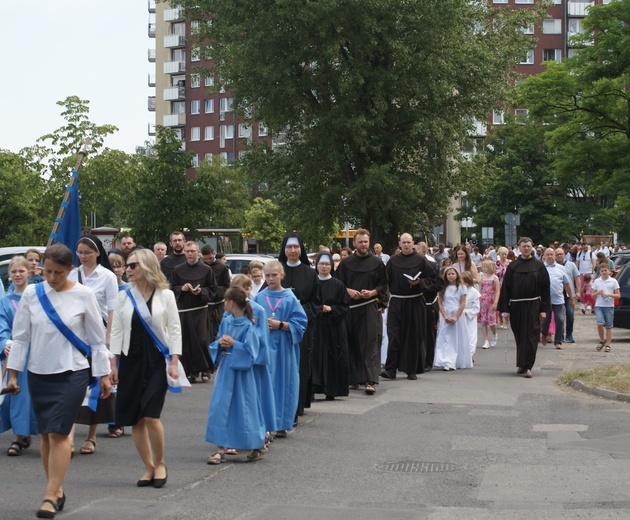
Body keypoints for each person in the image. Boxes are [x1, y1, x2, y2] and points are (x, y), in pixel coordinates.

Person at [5, 243, 111, 518]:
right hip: (38, 373)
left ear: (70, 270)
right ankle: (58, 489)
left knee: (59, 433)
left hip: (72, 372)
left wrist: (103, 376)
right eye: (48, 272)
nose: (52, 278)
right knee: (45, 435)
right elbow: (21, 338)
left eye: (59, 273)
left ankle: (50, 496)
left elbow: (97, 341)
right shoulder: (32, 293)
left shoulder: (84, 294)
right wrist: (13, 374)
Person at [109, 248, 182, 488]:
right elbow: (118, 330)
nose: (127, 270)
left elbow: (174, 329)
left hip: (157, 362)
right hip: (131, 361)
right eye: (127, 266)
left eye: (132, 266)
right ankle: (148, 467)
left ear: (147, 267)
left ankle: (160, 463)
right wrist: (113, 362)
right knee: (136, 419)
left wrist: (174, 361)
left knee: (151, 416)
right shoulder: (123, 296)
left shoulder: (166, 295)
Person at [206, 287, 267, 464]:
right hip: (226, 368)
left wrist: (234, 344)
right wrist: (220, 343)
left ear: (232, 303)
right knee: (220, 406)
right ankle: (219, 448)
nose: (224, 304)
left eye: (225, 301)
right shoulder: (227, 322)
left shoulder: (249, 325)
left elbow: (252, 352)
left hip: (242, 373)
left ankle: (256, 444)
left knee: (245, 408)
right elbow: (217, 341)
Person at [70, 235, 119, 452]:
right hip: (75, 336)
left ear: (97, 252)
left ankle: (91, 436)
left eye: (87, 252)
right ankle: (68, 436)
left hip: (98, 336)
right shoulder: (72, 274)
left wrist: (108, 341)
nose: (83, 256)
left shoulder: (107, 276)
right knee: (72, 384)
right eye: (79, 252)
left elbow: (112, 309)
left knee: (97, 384)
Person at [253, 260, 307, 437]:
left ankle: (283, 422)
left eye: (274, 275)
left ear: (281, 276)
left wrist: (280, 324)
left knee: (284, 383)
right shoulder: (259, 298)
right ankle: (265, 423)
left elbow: (300, 323)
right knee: (265, 383)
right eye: (267, 275)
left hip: (284, 347)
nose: (270, 278)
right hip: (265, 347)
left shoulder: (290, 298)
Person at [381, 233, 442, 380]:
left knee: (413, 335)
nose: (406, 245)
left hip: (415, 302)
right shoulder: (393, 261)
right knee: (394, 335)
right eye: (404, 242)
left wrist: (420, 283)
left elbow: (436, 281)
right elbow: (384, 282)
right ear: (399, 244)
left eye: (409, 242)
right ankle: (390, 369)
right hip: (396, 301)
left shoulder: (421, 260)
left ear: (413, 243)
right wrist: (381, 301)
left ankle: (411, 369)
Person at [335, 229, 388, 395]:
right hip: (350, 309)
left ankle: (370, 380)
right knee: (351, 343)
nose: (363, 244)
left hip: (369, 308)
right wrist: (348, 291)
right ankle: (354, 379)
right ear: (354, 243)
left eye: (365, 241)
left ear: (369, 242)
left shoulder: (377, 263)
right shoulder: (346, 263)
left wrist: (372, 293)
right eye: (360, 242)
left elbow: (384, 284)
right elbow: (337, 284)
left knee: (370, 343)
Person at [277, 233, 319, 418]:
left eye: (296, 247)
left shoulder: (310, 273)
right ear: (284, 250)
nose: (293, 250)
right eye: (289, 247)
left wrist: (299, 313)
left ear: (301, 249)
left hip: (301, 327)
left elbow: (317, 303)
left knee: (300, 366)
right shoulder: (277, 271)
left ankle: (296, 408)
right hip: (278, 328)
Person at [0, 257, 38, 456]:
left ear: (28, 272)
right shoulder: (5, 302)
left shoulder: (37, 295)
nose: (17, 275)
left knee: (37, 394)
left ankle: (35, 432)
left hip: (39, 350)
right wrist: (5, 344)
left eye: (21, 271)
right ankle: (19, 436)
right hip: (17, 353)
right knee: (19, 395)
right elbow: (2, 326)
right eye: (13, 271)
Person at [497, 237, 551, 378]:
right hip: (516, 305)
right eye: (524, 246)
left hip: (533, 305)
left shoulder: (539, 266)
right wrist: (505, 310)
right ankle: (521, 364)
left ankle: (528, 366)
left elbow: (545, 289)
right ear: (519, 248)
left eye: (528, 246)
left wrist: (544, 309)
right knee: (520, 336)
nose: (526, 248)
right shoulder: (513, 266)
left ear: (531, 247)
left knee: (532, 336)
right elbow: (506, 289)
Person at [170, 241, 217, 383]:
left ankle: (205, 369)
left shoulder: (206, 270)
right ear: (184, 252)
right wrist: (181, 289)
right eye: (188, 251)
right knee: (187, 341)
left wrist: (201, 291)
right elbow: (171, 289)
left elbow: (213, 290)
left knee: (202, 339)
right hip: (185, 310)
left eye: (193, 251)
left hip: (200, 310)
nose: (190, 254)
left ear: (198, 253)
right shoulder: (177, 270)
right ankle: (190, 371)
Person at [312, 252, 351, 399]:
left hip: (333, 326)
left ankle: (332, 390)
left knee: (332, 358)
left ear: (332, 266)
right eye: (321, 264)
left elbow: (345, 306)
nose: (324, 267)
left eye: (327, 264)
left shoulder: (338, 284)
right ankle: (313, 389)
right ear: (316, 265)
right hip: (316, 325)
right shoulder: (312, 282)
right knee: (314, 358)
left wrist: (332, 309)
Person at [433, 267, 470, 371]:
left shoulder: (461, 287)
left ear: (457, 275)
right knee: (445, 337)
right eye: (448, 274)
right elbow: (439, 302)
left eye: (453, 274)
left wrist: (456, 316)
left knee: (456, 337)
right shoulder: (443, 288)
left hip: (457, 314)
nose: (450, 276)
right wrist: (444, 315)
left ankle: (456, 360)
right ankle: (445, 360)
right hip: (446, 313)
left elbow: (463, 303)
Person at [540, 248, 574, 350]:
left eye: (552, 254)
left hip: (558, 299)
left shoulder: (560, 268)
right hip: (545, 300)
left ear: (554, 256)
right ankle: (544, 334)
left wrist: (571, 297)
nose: (550, 256)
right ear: (544, 256)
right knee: (545, 321)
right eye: (548, 254)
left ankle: (558, 341)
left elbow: (566, 284)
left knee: (559, 320)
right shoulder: (541, 268)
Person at [201, 244, 231, 349]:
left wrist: (214, 290)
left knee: (219, 329)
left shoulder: (222, 268)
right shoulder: (201, 267)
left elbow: (227, 286)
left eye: (210, 258)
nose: (208, 261)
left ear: (214, 254)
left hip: (218, 304)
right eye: (205, 259)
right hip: (205, 304)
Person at [592, 264, 620, 352]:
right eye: (602, 271)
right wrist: (598, 293)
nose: (604, 272)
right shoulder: (597, 281)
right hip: (599, 305)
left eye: (605, 270)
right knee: (600, 323)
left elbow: (618, 295)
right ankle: (601, 340)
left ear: (609, 271)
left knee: (608, 326)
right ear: (599, 272)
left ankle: (608, 344)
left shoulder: (613, 281)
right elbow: (592, 295)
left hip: (609, 306)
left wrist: (608, 294)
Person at [555, 248, 580, 343]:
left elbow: (577, 278)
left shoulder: (571, 265)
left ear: (564, 254)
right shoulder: (553, 266)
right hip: (558, 294)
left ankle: (569, 334)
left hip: (569, 294)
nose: (559, 256)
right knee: (559, 317)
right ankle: (560, 335)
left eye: (561, 254)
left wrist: (578, 292)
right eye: (557, 254)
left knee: (570, 314)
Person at [478, 260, 500, 349]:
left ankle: (494, 334)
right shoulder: (482, 277)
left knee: (491, 322)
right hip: (483, 300)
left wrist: (496, 302)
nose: (484, 269)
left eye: (485, 267)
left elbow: (498, 291)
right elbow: (480, 289)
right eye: (483, 267)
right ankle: (486, 340)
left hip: (491, 300)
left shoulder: (495, 278)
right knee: (483, 321)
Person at [461, 271, 480, 359]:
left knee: (470, 336)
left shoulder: (474, 292)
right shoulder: (459, 290)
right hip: (459, 317)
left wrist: (467, 312)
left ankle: (470, 355)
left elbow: (476, 308)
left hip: (469, 318)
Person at [495, 246, 511, 330]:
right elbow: (494, 274)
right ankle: (500, 320)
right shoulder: (496, 263)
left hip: (508, 285)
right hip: (498, 284)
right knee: (499, 303)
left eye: (505, 254)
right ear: (499, 254)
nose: (504, 256)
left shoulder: (510, 263)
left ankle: (505, 321)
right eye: (502, 254)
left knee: (506, 303)